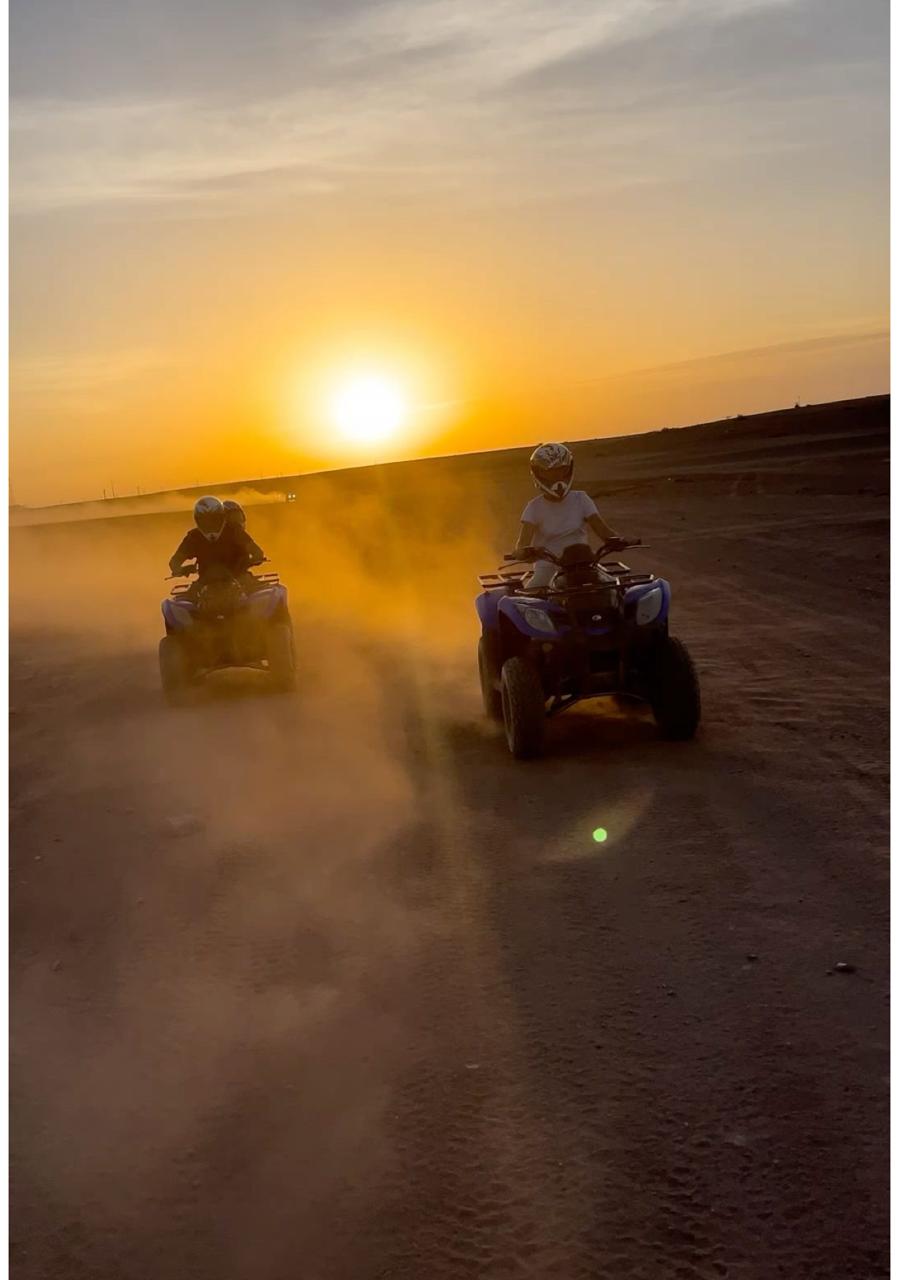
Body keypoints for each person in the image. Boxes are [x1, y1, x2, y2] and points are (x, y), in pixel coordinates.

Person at [515, 443, 622, 590]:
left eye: (561, 471)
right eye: (550, 473)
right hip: (548, 568)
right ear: (538, 474)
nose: (557, 477)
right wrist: (526, 552)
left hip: (585, 565)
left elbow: (603, 531)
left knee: (616, 592)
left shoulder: (581, 499)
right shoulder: (534, 507)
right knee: (526, 601)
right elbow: (522, 544)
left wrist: (618, 541)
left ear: (569, 470)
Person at [169, 496, 265, 587]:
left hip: (240, 579)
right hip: (205, 583)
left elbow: (256, 551)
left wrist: (253, 559)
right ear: (197, 520)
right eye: (204, 520)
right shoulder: (193, 537)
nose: (209, 524)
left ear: (222, 517)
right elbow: (175, 561)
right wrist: (181, 569)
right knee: (178, 603)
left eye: (214, 519)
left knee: (261, 598)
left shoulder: (234, 531)